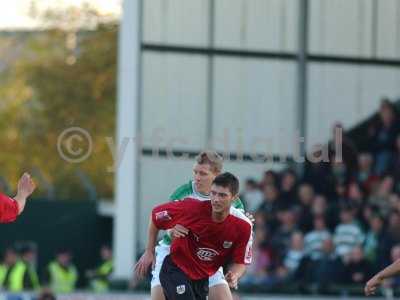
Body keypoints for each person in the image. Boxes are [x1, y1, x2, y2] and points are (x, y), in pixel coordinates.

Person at [135, 173, 253, 300]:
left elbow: (241, 262)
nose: (216, 199)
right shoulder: (192, 208)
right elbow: (156, 215)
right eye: (213, 193)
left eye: (222, 195)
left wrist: (235, 275)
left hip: (202, 277)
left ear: (234, 198)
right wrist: (149, 250)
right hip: (175, 268)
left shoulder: (244, 226)